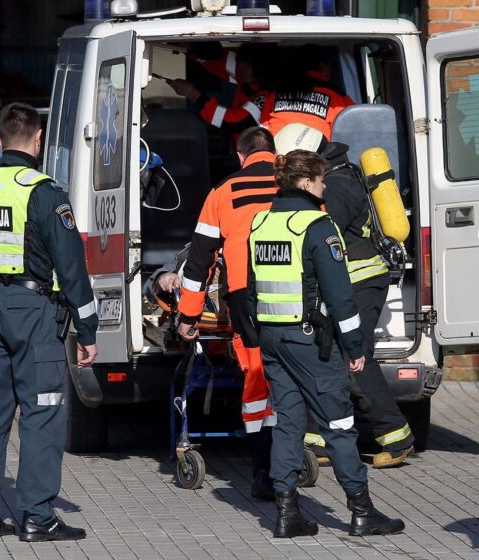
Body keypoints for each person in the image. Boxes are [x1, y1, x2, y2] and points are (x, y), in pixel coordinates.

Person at [248, 149, 405, 538]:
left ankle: (287, 513)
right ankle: (362, 511)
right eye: (320, 181)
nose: (324, 187)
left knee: (288, 424)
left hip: (272, 338)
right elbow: (340, 298)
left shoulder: (261, 222)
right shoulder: (317, 226)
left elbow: (252, 288)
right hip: (310, 341)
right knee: (339, 423)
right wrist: (354, 347)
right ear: (305, 183)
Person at [0, 103, 98, 542]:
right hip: (32, 309)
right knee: (42, 412)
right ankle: (38, 516)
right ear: (38, 141)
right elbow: (71, 266)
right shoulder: (44, 192)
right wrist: (88, 329)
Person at [148, 127, 279, 500]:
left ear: (241, 156)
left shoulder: (223, 192)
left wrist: (188, 317)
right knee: (292, 378)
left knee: (257, 377)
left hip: (246, 295)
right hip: (299, 295)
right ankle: (290, 460)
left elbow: (199, 261)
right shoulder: (297, 180)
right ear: (273, 151)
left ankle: (263, 473)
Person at [274, 124, 415, 469]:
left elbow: (319, 236)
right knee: (330, 357)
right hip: (354, 281)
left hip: (360, 281)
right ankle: (320, 442)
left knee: (357, 358)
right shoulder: (339, 174)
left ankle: (396, 436)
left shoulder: (335, 187)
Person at [167, 44, 273, 138]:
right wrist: (191, 48)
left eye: (245, 64)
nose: (240, 67)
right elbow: (216, 58)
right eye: (240, 62)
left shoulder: (265, 98)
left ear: (260, 68)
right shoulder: (249, 80)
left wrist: (192, 93)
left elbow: (232, 122)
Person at [259, 44, 354, 140]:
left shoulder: (274, 93)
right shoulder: (337, 96)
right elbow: (355, 125)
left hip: (279, 153)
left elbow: (264, 126)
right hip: (316, 154)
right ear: (322, 66)